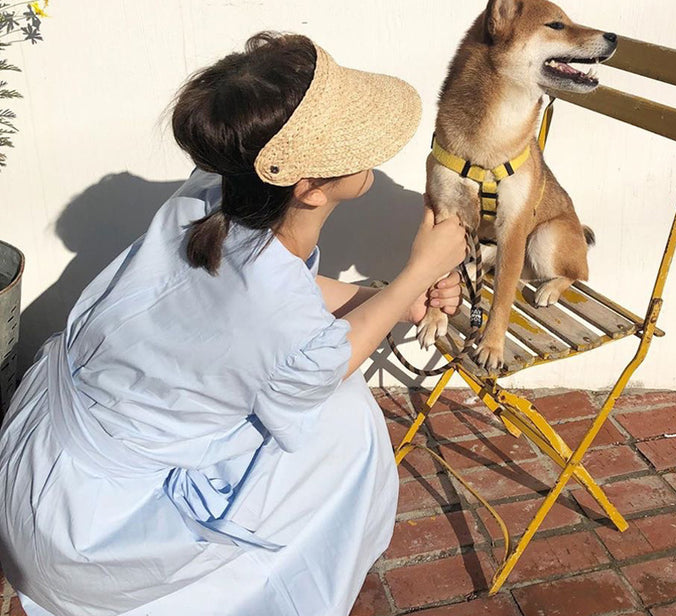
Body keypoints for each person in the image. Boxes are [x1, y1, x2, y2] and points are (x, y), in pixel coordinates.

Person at [0, 32, 467, 616]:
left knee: (332, 414)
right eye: (355, 140)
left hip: (34, 461)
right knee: (345, 428)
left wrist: (403, 299)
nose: (373, 151)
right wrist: (418, 271)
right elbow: (313, 358)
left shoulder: (212, 197)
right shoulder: (279, 310)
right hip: (86, 534)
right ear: (309, 189)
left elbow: (277, 299)